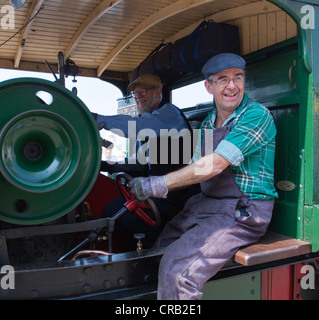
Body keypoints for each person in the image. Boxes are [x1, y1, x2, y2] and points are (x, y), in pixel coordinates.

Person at [130, 53, 278, 299]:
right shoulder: (209, 123)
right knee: (158, 249)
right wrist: (158, 185)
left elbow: (215, 164)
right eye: (222, 79)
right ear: (209, 86)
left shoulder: (256, 116)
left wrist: (158, 184)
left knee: (177, 272)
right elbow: (195, 164)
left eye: (237, 78)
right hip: (208, 204)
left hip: (244, 211)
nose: (231, 86)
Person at [93, 74, 199, 249]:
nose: (138, 96)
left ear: (159, 92)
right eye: (135, 93)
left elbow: (135, 126)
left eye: (144, 91)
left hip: (176, 196)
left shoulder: (169, 114)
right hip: (156, 193)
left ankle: (154, 254)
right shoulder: (152, 123)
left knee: (116, 214)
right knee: (111, 210)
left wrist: (97, 118)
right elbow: (140, 163)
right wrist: (106, 165)